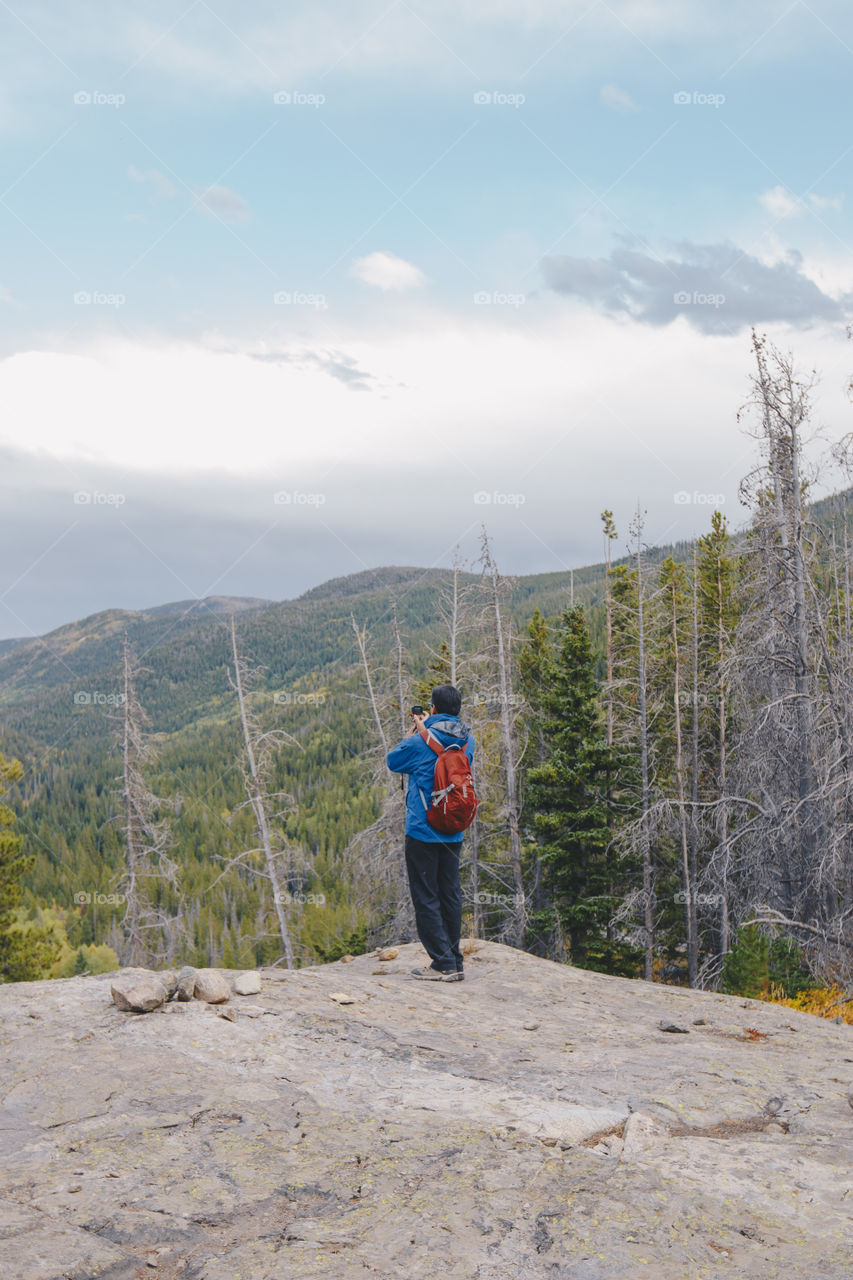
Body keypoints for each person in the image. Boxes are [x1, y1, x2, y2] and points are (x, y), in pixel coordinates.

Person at [386, 684, 474, 983]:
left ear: (433, 708)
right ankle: (455, 960)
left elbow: (393, 761)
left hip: (423, 830)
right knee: (450, 893)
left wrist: (418, 730)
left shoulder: (421, 740)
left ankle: (442, 963)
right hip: (453, 830)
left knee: (426, 895)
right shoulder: (468, 740)